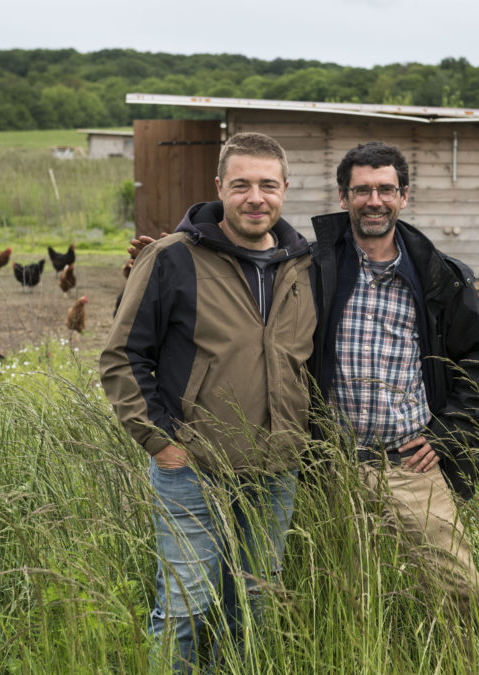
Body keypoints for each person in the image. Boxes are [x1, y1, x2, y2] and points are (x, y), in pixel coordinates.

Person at [100, 132, 316, 672]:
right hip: (194, 469)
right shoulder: (173, 258)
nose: (255, 197)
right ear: (219, 187)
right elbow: (122, 357)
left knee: (254, 603)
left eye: (268, 185)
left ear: (286, 190)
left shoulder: (305, 268)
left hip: (274, 471)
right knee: (185, 607)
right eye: (241, 184)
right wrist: (162, 444)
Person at [309, 141, 479, 621]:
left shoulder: (439, 278)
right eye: (362, 190)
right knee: (348, 604)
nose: (373, 200)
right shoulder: (313, 269)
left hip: (411, 467)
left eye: (385, 189)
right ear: (343, 198)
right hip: (330, 467)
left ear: (403, 197)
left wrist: (448, 434)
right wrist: (159, 261)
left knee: (464, 594)